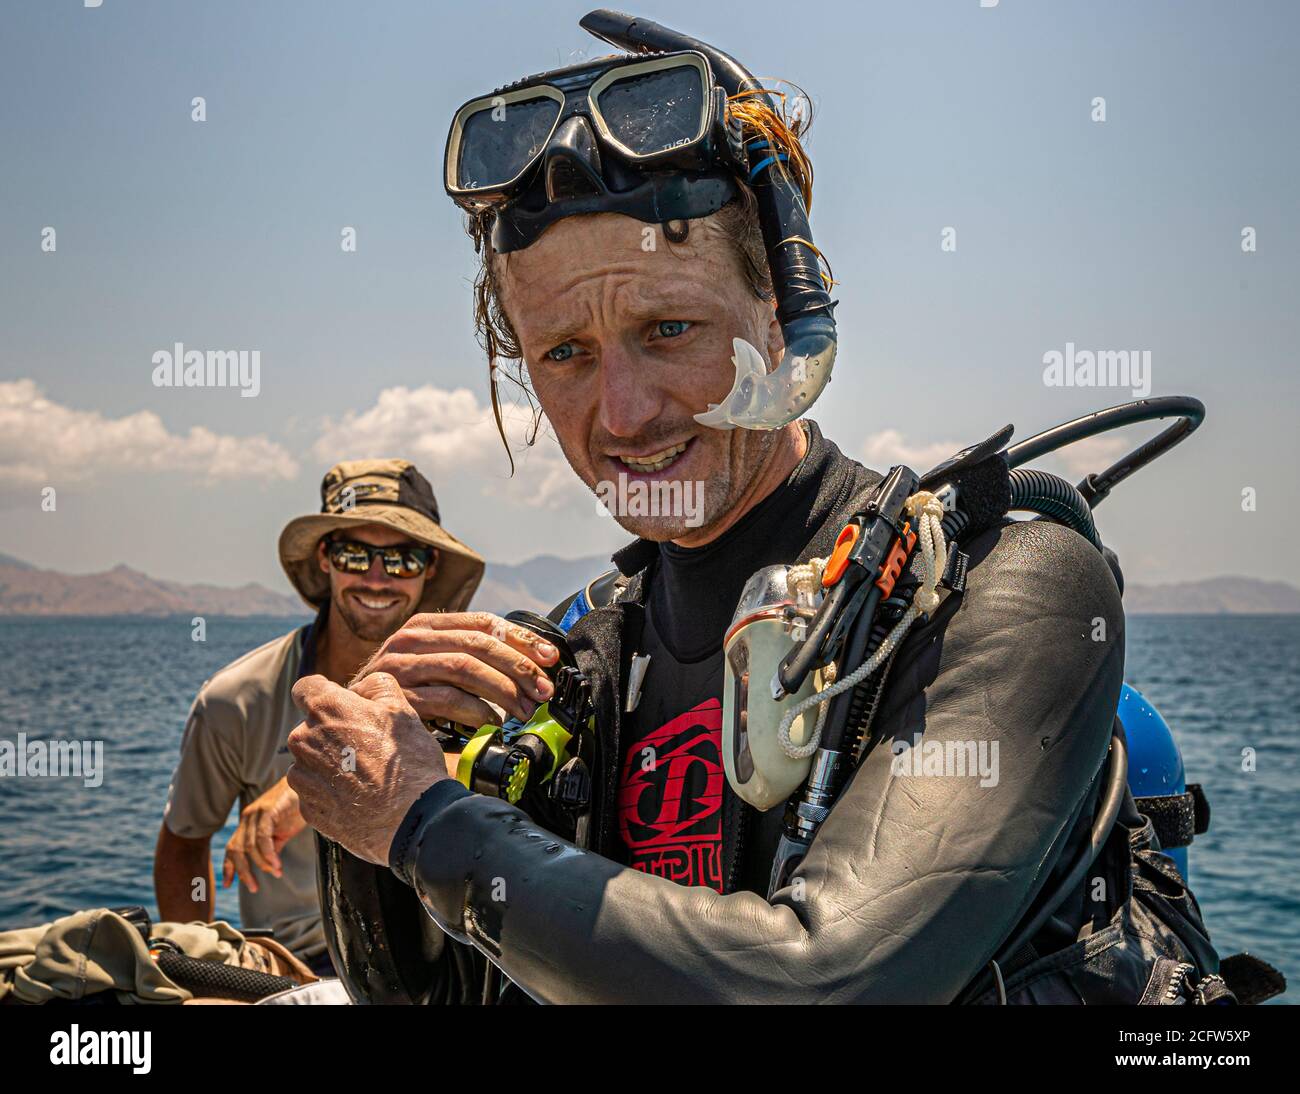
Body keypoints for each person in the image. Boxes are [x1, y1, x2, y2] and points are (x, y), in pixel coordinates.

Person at [287, 13, 1227, 1003]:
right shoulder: (578, 659)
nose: (622, 411)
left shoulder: (1001, 589)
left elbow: (829, 979)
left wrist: (424, 823)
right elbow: (423, 997)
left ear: (783, 320)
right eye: (563, 352)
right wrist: (373, 777)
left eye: (669, 327)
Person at [154, 459, 483, 973]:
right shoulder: (234, 700)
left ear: (430, 568)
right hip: (291, 968)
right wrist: (201, 965)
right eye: (355, 555)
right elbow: (184, 840)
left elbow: (503, 780)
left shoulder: (471, 692)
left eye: (402, 560)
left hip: (448, 962)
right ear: (326, 558)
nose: (378, 578)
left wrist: (302, 789)